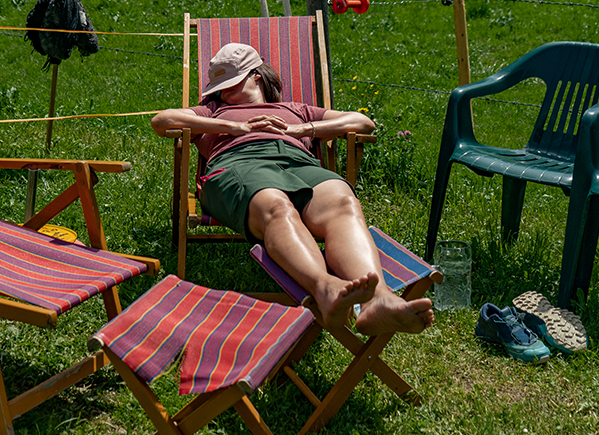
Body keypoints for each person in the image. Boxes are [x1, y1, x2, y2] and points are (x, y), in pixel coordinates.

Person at [152, 42, 434, 336]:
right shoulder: (212, 110)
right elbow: (162, 121)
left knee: (343, 202)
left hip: (298, 163)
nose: (223, 93)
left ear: (256, 77)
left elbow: (363, 122)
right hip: (239, 165)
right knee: (276, 206)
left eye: (231, 84)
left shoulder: (296, 109)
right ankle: (325, 289)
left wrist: (304, 129)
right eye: (219, 88)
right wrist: (235, 127)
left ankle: (379, 302)